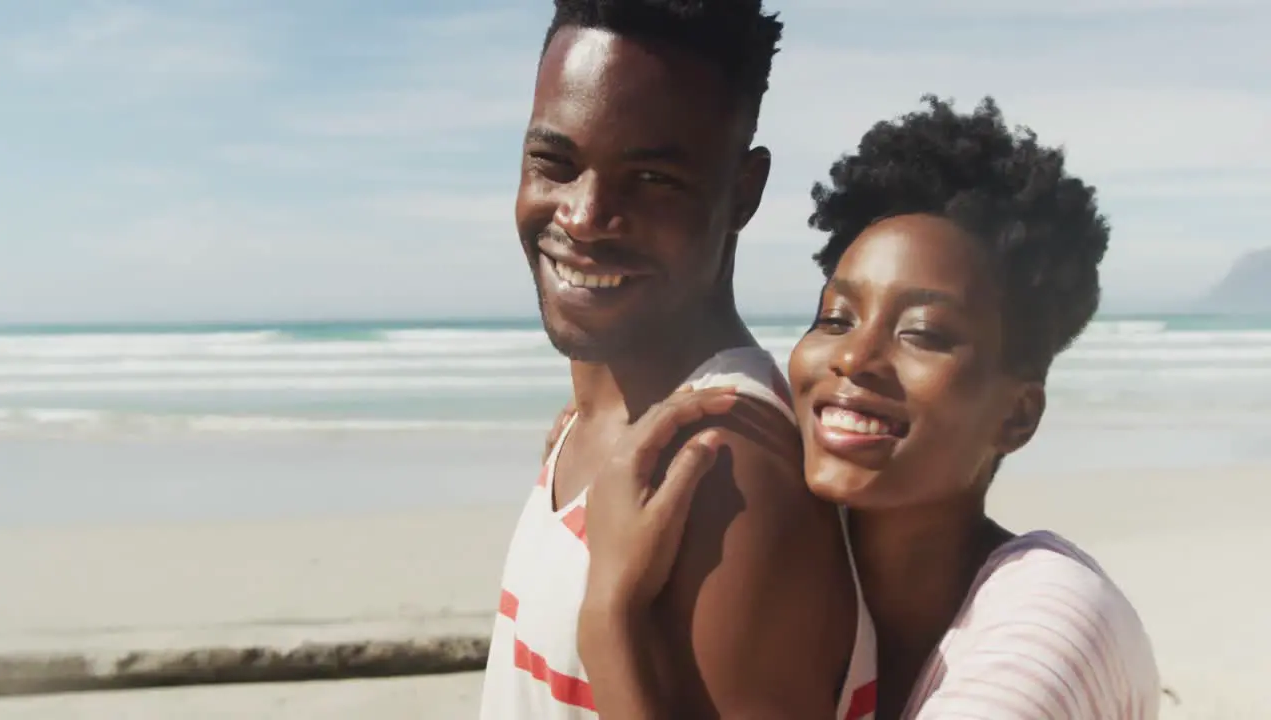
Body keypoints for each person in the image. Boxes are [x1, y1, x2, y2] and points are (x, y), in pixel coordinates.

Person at [567, 96, 1162, 719]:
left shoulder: (1051, 629)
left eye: (923, 333)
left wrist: (610, 620)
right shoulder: (808, 581)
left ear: (1017, 416)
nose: (854, 358)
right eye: (835, 318)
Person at [478, 1, 869, 718]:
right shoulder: (598, 415)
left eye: (652, 179)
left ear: (743, 192)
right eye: (554, 163)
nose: (585, 215)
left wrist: (610, 624)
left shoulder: (725, 475)